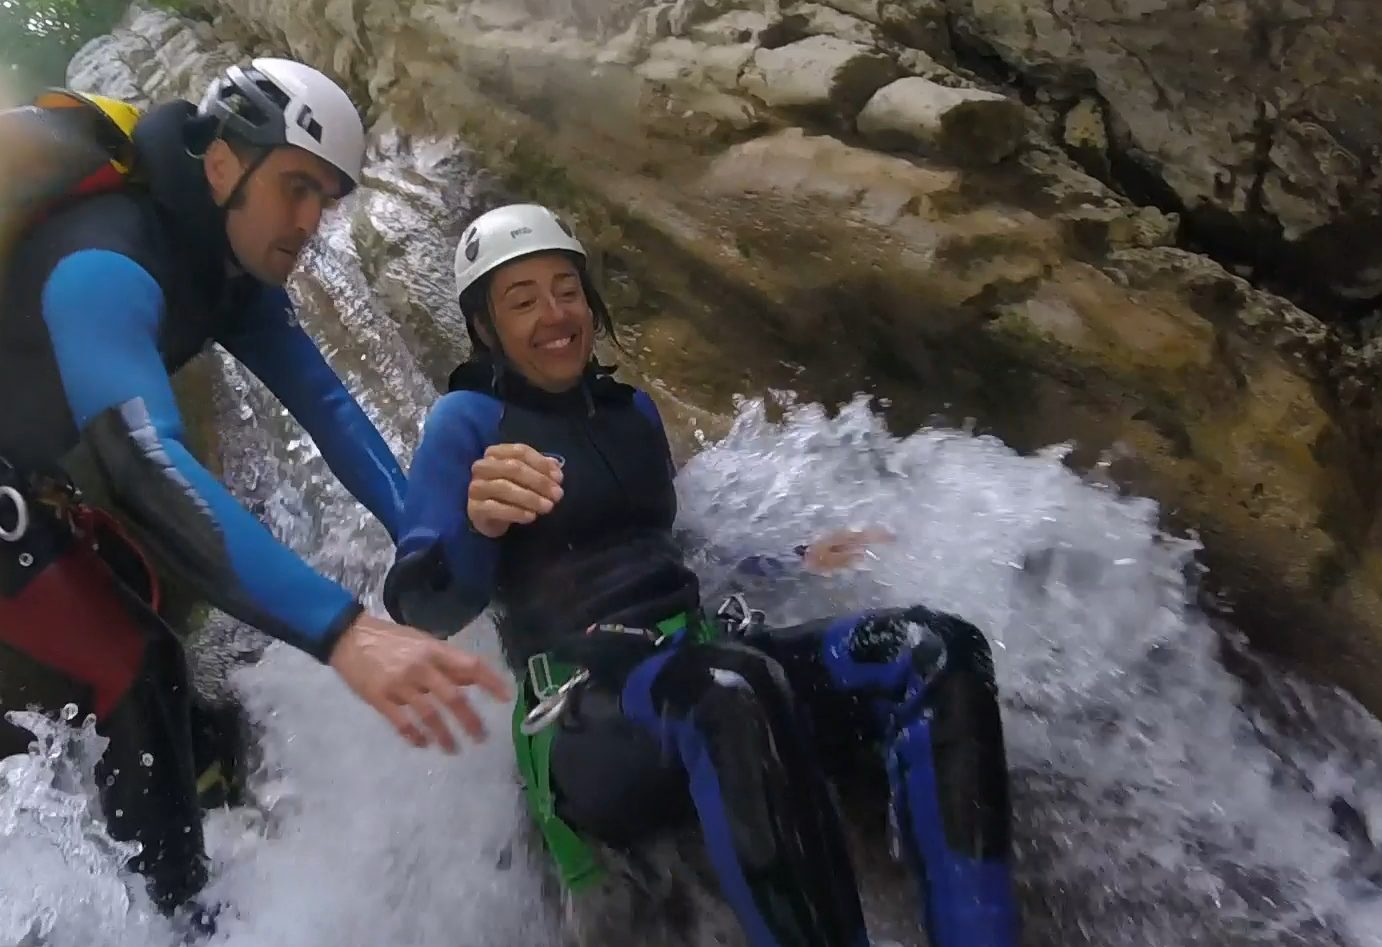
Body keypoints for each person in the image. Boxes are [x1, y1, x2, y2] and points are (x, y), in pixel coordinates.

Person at [383, 202, 1021, 947]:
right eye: (522, 301)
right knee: (728, 689)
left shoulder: (633, 412)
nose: (555, 314)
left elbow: (669, 547)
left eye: (567, 290)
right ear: (486, 329)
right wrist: (477, 523)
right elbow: (422, 607)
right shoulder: (466, 421)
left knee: (933, 648)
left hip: (698, 664)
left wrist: (790, 560)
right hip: (592, 716)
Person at [0, 59, 509, 924]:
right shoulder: (107, 261)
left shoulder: (228, 274)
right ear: (225, 164)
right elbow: (146, 467)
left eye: (329, 199)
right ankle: (174, 925)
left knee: (170, 691)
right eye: (298, 187)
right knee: (134, 659)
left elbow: (331, 409)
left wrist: (425, 546)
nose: (312, 221)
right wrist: (344, 633)